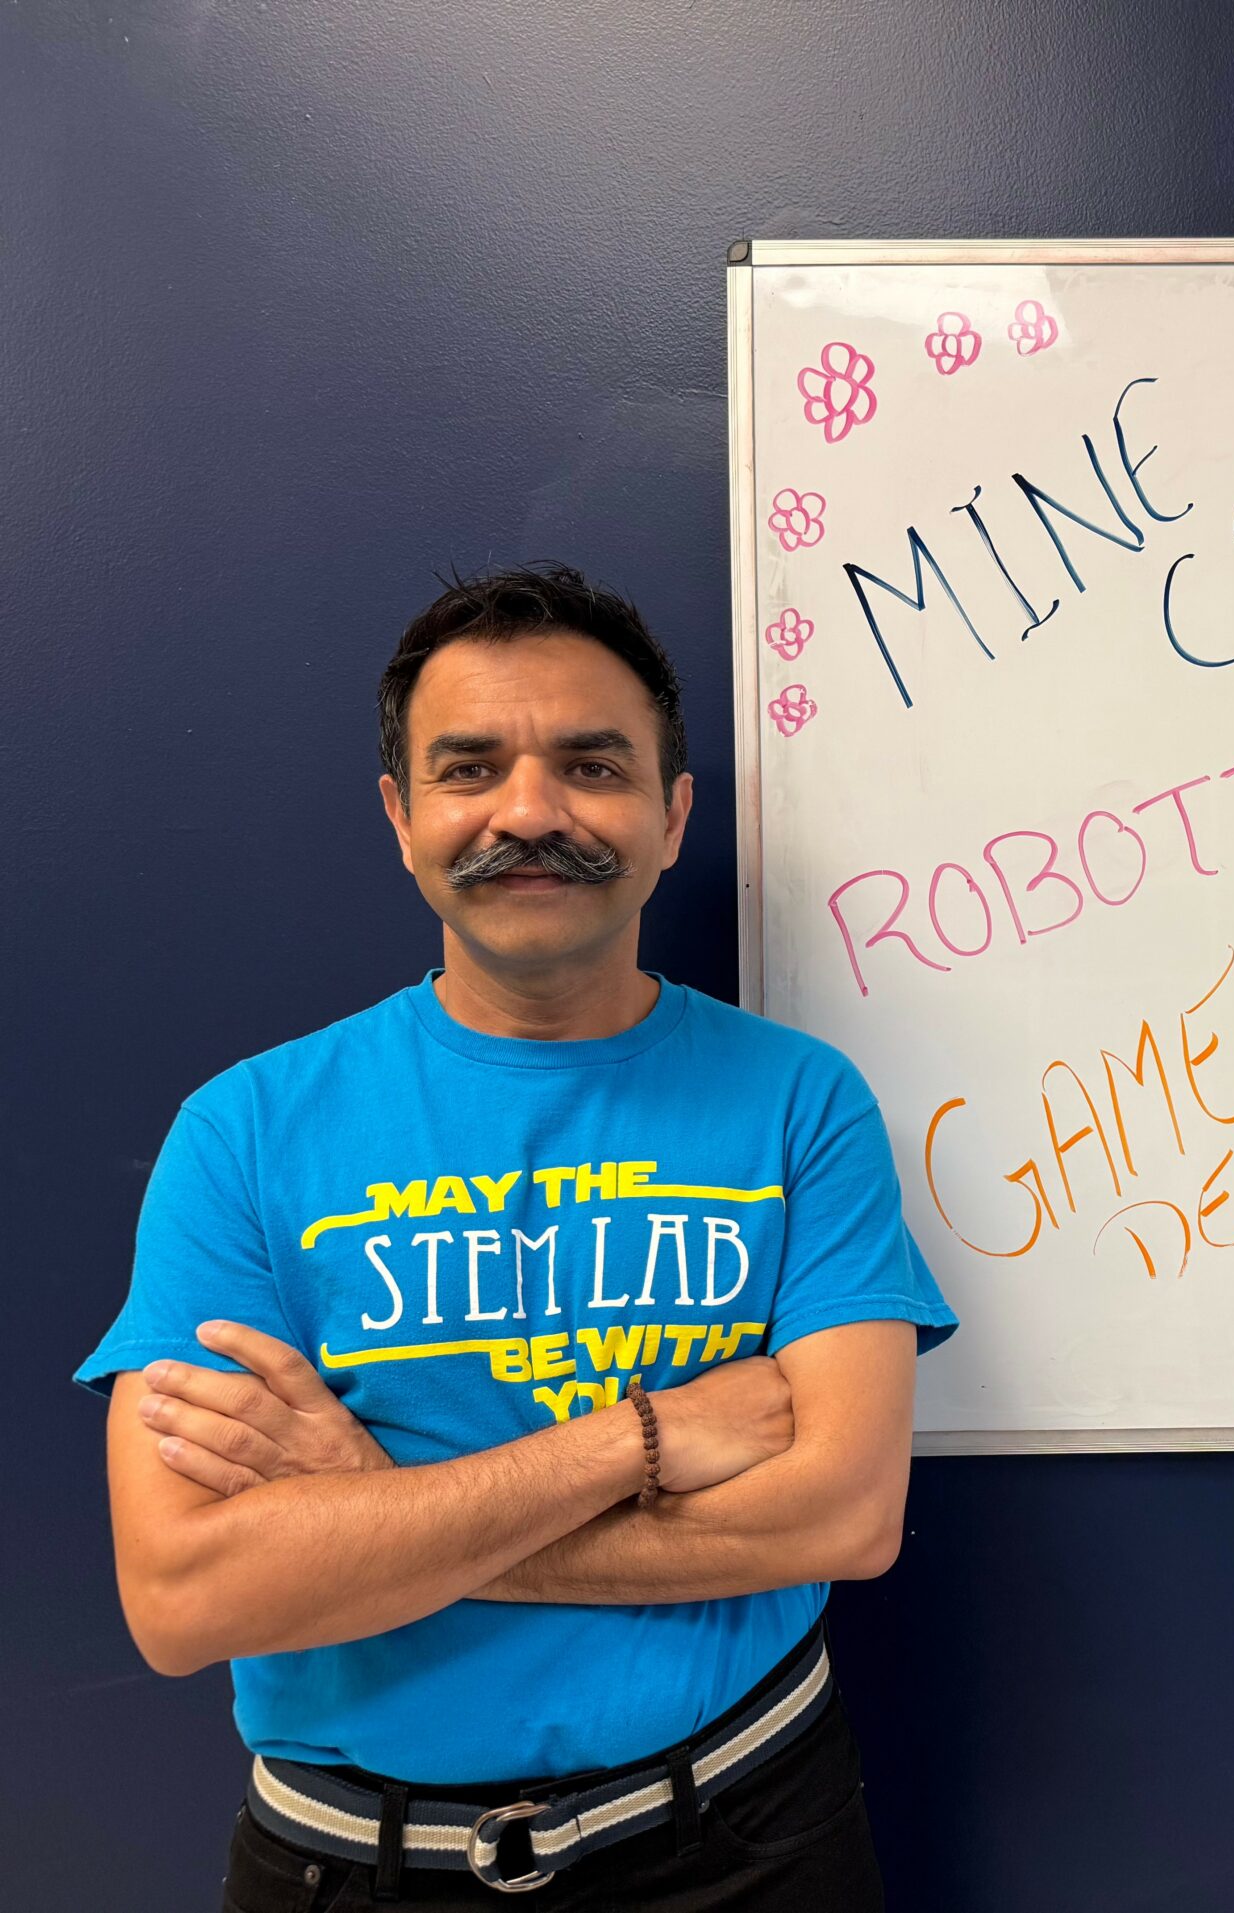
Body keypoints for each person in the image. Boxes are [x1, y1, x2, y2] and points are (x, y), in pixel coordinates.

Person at [74, 564, 956, 1908]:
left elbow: (846, 1511)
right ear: (403, 817)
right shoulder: (244, 1131)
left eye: (592, 767)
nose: (530, 812)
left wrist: (368, 1509)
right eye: (470, 768)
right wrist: (639, 1442)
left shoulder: (799, 1101)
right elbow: (186, 1596)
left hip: (749, 1839)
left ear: (671, 816)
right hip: (351, 1870)